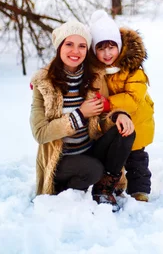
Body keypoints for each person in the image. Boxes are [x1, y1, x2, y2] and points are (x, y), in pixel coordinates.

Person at [29, 20, 135, 212]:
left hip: (89, 149)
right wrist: (80, 114)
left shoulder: (94, 77)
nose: (75, 51)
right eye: (69, 44)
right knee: (92, 169)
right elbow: (40, 132)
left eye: (82, 46)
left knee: (125, 130)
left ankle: (104, 189)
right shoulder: (43, 84)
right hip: (61, 159)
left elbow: (101, 116)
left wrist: (118, 116)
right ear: (60, 47)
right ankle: (68, 192)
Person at [89, 10, 155, 202]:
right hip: (114, 123)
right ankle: (115, 183)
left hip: (138, 121)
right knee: (117, 156)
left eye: (111, 47)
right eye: (101, 48)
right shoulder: (99, 70)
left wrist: (109, 103)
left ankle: (139, 191)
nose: (107, 53)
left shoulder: (133, 69)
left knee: (136, 160)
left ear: (119, 46)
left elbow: (133, 98)